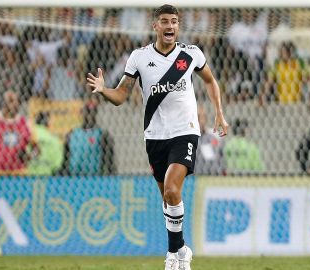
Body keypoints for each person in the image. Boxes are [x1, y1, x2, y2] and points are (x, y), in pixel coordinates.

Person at [86, 4, 228, 270]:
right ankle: (181, 248)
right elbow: (121, 95)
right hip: (154, 136)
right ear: (155, 26)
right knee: (168, 198)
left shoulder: (191, 54)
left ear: (178, 25)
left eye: (174, 21)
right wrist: (105, 90)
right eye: (164, 21)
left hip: (185, 131)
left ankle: (176, 256)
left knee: (174, 190)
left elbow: (210, 81)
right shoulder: (139, 58)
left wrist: (219, 113)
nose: (170, 26)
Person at [60, 101, 115, 176]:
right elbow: (66, 156)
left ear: (96, 114)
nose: (89, 115)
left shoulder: (101, 134)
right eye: (88, 111)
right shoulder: (73, 133)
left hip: (94, 176)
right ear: (83, 113)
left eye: (92, 112)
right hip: (73, 176)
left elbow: (109, 158)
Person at [27, 112, 64, 176]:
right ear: (48, 123)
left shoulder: (28, 136)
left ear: (36, 121)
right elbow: (57, 164)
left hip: (27, 175)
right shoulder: (54, 140)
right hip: (47, 175)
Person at [194, 106, 225, 175]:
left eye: (203, 117)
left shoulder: (213, 136)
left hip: (214, 173)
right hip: (197, 174)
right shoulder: (190, 138)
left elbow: (221, 156)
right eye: (198, 117)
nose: (201, 120)